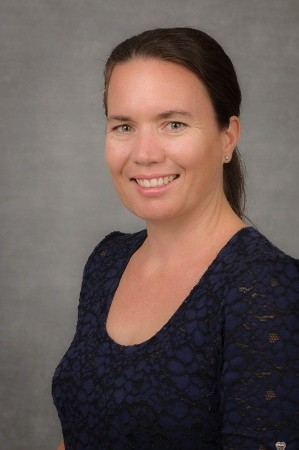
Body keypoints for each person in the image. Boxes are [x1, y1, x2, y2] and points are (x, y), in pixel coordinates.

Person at [52, 27, 298, 449]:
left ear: (228, 137)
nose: (144, 153)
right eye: (124, 126)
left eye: (174, 123)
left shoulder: (267, 289)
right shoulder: (108, 260)